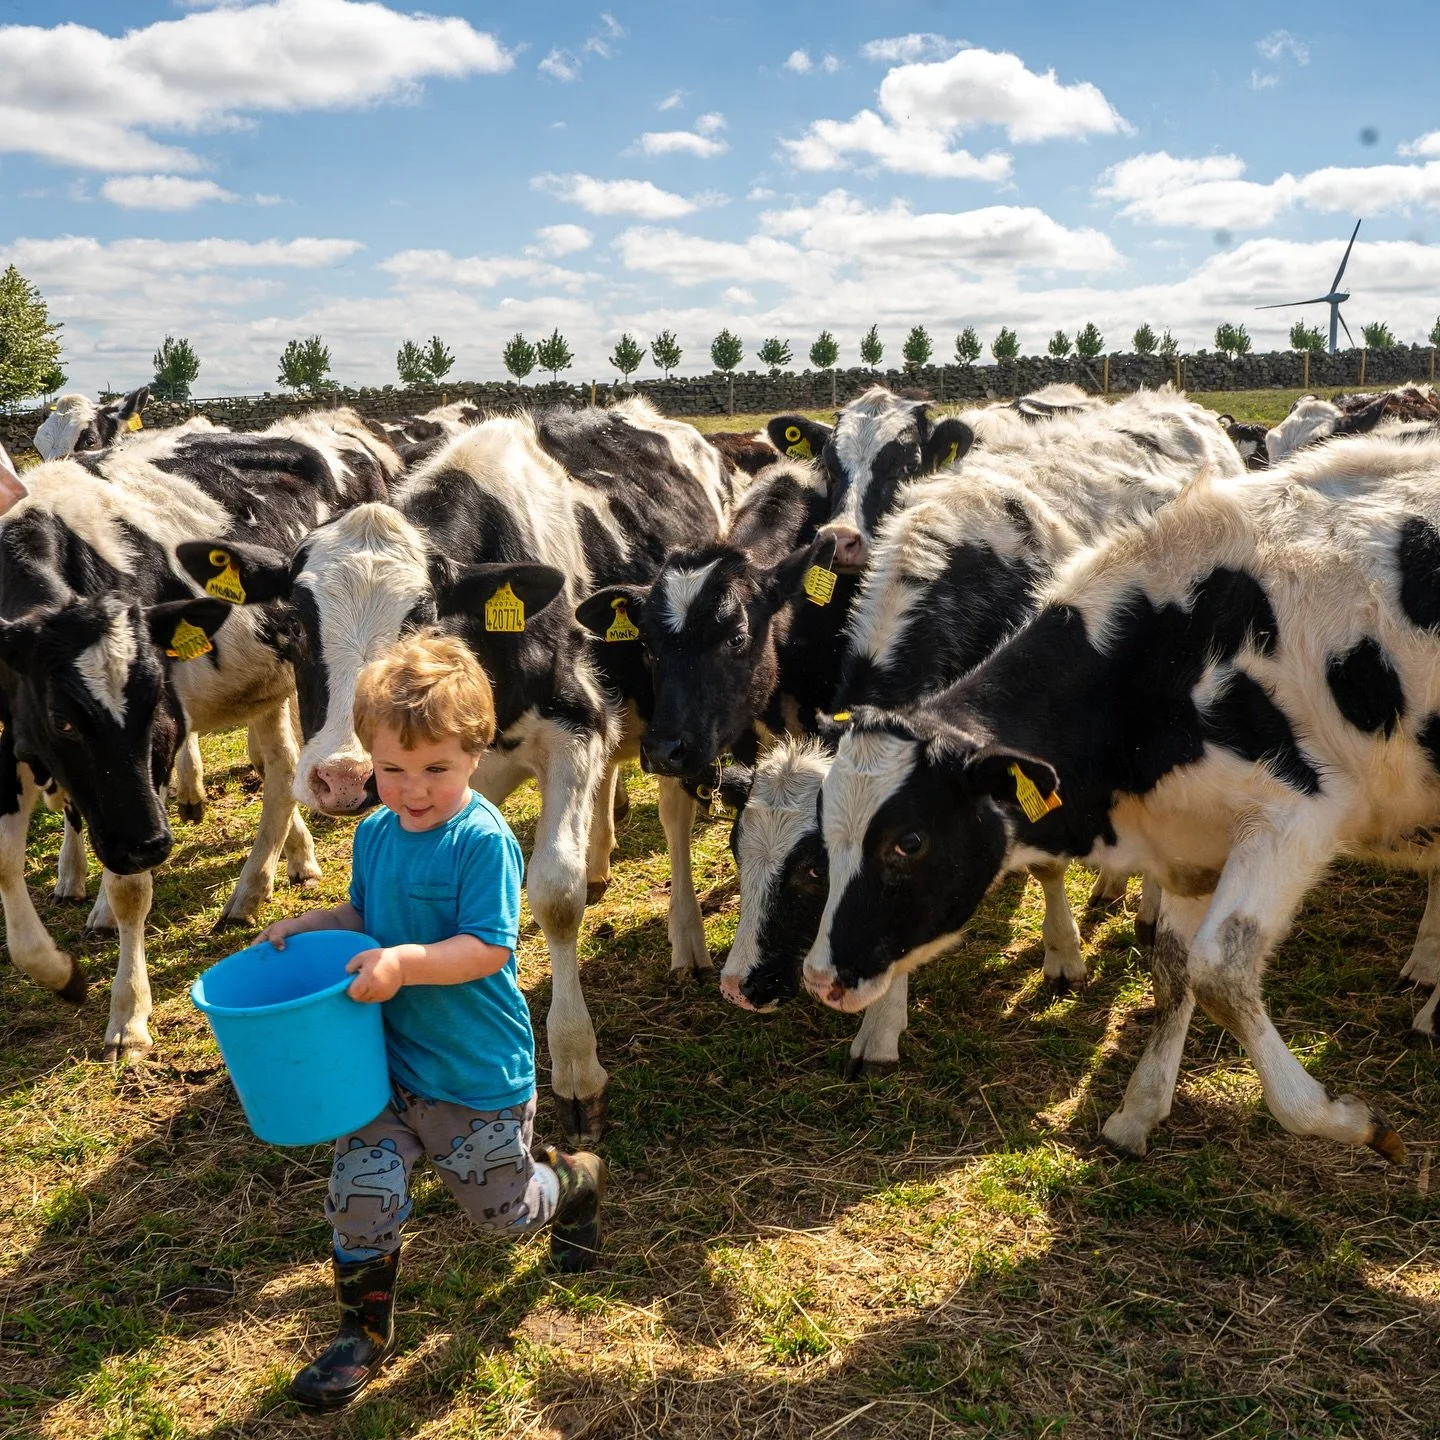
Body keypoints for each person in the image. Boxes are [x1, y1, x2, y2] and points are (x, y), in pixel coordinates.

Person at [256, 629, 606, 1411]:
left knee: (501, 1214)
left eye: (436, 770)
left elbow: (486, 948)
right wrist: (316, 922)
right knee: (361, 1194)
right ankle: (361, 1333)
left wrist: (404, 964)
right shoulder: (378, 831)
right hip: (388, 1071)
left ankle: (572, 1181)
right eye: (393, 770)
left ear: (476, 754)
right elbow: (366, 910)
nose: (413, 790)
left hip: (473, 1071)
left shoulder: (480, 839)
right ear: (371, 761)